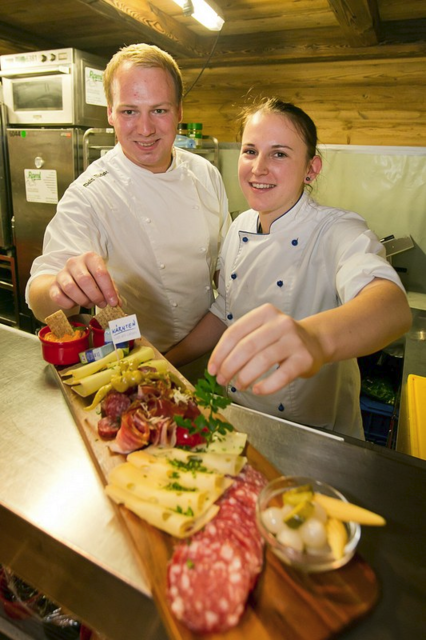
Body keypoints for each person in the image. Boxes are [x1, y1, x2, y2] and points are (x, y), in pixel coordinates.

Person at [166, 98, 412, 439]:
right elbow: (226, 311)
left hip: (313, 436)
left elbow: (392, 308)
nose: (259, 168)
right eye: (250, 151)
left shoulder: (335, 230)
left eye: (279, 154)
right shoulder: (241, 225)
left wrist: (314, 338)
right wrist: (165, 360)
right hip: (238, 418)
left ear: (311, 168)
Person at [26, 43, 230, 354]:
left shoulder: (205, 173)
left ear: (179, 112)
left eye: (159, 110)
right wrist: (60, 288)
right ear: (110, 113)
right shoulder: (90, 194)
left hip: (210, 348)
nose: (145, 129)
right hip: (136, 361)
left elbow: (222, 266)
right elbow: (41, 291)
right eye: (129, 111)